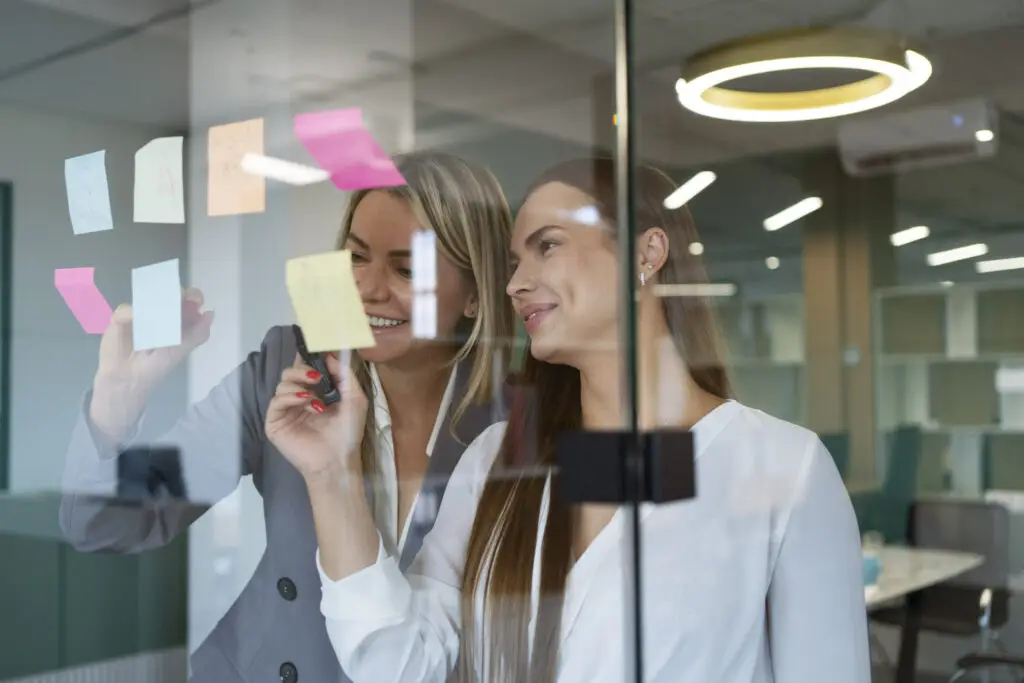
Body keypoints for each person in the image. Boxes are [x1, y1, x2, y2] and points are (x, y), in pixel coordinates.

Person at [279, 158, 871, 683]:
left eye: (548, 246)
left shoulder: (782, 467)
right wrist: (330, 474)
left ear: (647, 253)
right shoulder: (497, 460)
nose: (515, 283)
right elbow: (398, 666)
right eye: (514, 261)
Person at [58, 151, 517, 683]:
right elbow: (104, 524)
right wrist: (118, 396)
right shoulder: (286, 369)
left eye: (406, 268)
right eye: (356, 257)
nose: (368, 288)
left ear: (476, 296)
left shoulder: (511, 423)